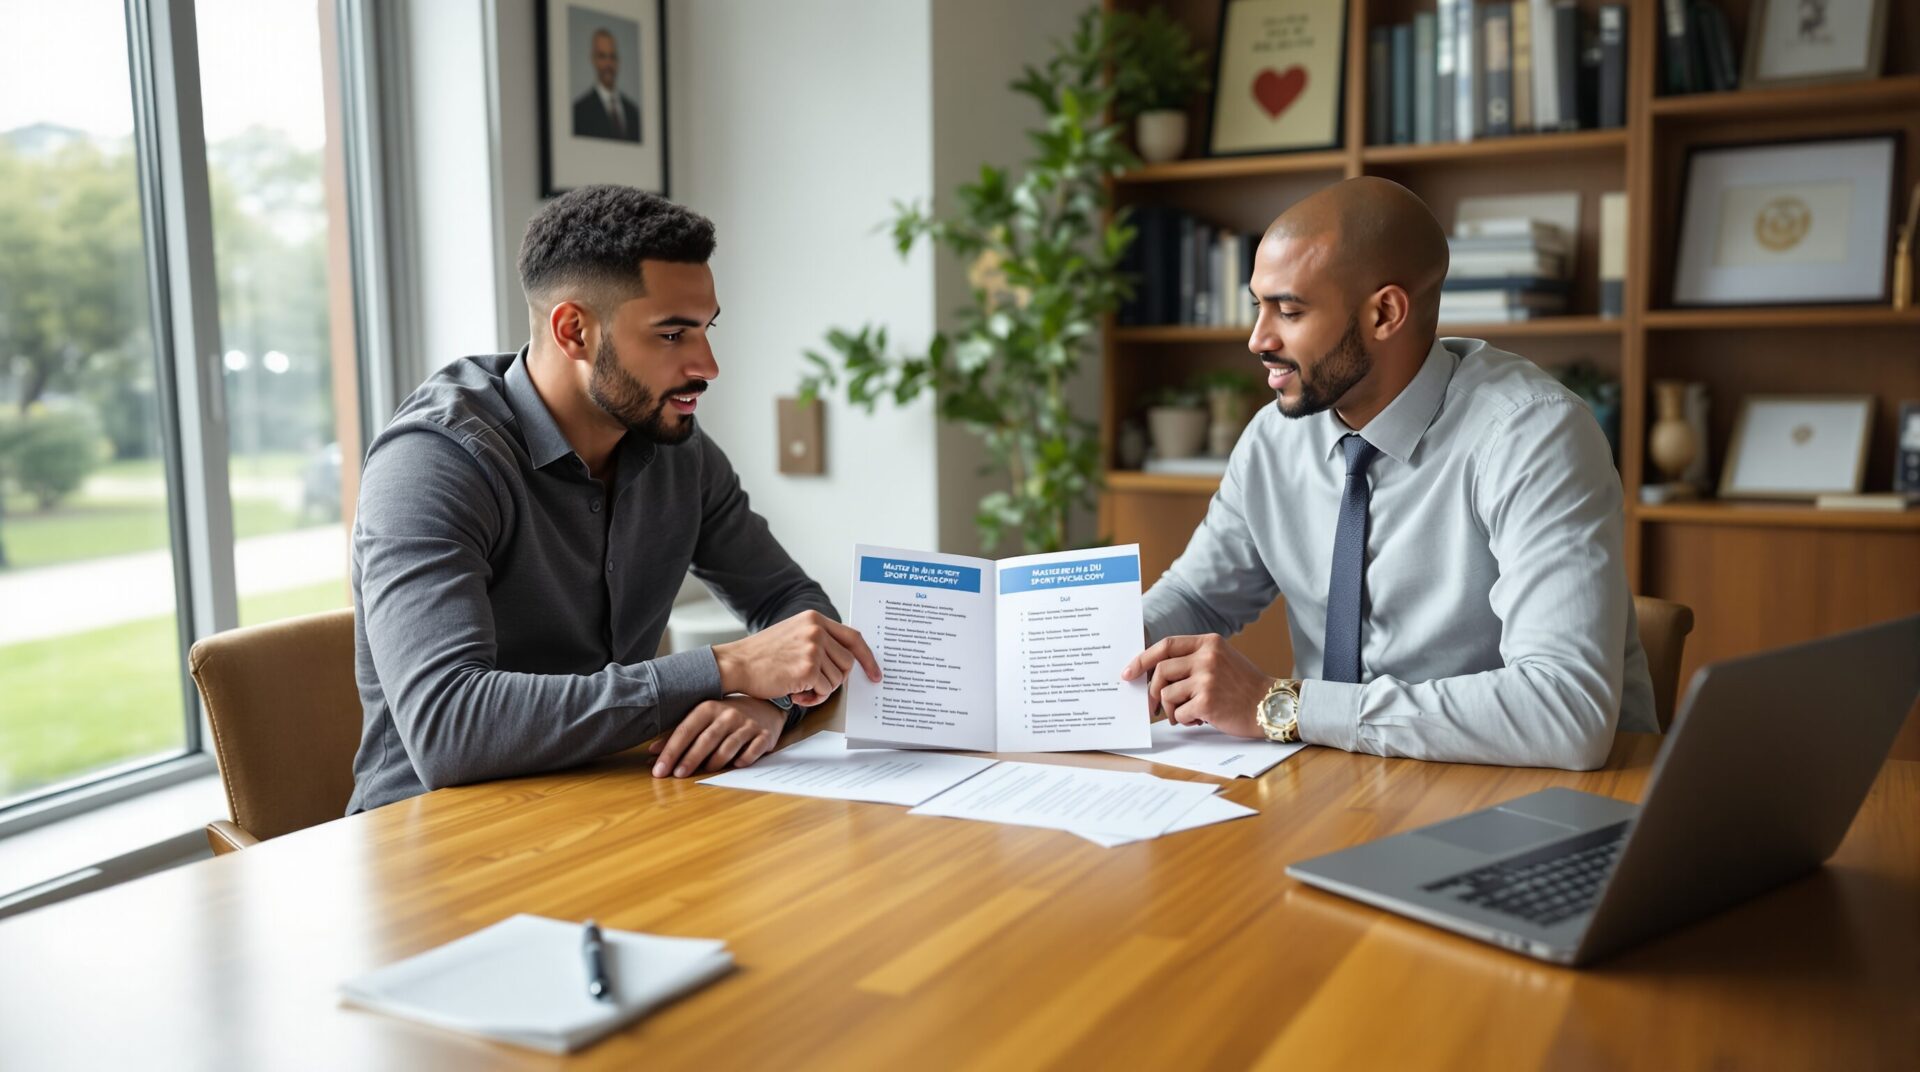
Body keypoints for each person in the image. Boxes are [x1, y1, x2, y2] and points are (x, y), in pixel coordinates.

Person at [346, 185, 877, 813]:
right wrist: (726, 669)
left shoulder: (677, 447)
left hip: (614, 802)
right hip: (436, 840)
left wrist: (770, 702)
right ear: (574, 330)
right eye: (673, 335)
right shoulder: (434, 462)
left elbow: (793, 610)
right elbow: (450, 730)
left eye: (706, 329)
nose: (707, 364)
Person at [1122, 177, 1654, 770]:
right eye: (1259, 306)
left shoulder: (1534, 436)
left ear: (1385, 313)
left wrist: (1284, 707)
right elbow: (1198, 595)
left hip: (1523, 796)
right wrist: (1089, 652)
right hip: (1332, 784)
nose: (1258, 339)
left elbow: (1566, 712)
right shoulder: (1276, 436)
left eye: (1289, 311)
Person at [572, 28, 642, 142]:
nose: (608, 64)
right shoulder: (579, 112)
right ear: (593, 59)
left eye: (612, 56)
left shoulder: (633, 112)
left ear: (618, 61)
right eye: (602, 56)